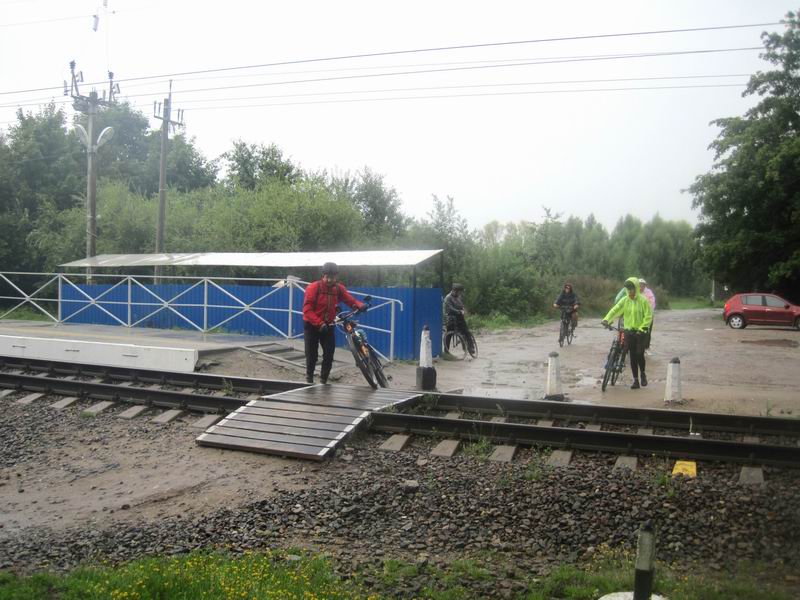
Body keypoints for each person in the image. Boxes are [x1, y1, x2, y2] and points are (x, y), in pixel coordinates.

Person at [302, 262, 365, 384]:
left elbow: (348, 299)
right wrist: (319, 323)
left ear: (336, 276)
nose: (330, 280)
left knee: (329, 355)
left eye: (333, 277)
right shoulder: (314, 287)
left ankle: (323, 381)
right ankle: (309, 379)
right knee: (312, 355)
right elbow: (307, 310)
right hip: (312, 325)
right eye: (328, 277)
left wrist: (359, 305)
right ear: (323, 275)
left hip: (328, 325)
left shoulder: (338, 288)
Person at [601, 277, 653, 389]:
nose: (630, 291)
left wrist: (643, 328)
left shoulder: (643, 300)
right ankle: (635, 381)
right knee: (633, 356)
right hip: (629, 331)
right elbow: (615, 309)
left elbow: (648, 316)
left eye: (632, 289)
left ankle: (643, 373)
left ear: (636, 288)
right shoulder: (624, 300)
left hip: (641, 332)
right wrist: (606, 319)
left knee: (640, 354)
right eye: (628, 289)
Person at [443, 283, 474, 351]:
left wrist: (463, 309)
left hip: (459, 317)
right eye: (459, 292)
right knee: (449, 335)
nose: (460, 293)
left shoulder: (458, 296)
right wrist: (459, 311)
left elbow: (461, 305)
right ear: (454, 290)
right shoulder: (448, 298)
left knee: (466, 332)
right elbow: (450, 308)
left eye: (460, 292)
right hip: (450, 318)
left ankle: (471, 347)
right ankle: (446, 351)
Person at [639, 278, 656, 351]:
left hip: (648, 314)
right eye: (639, 284)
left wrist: (648, 312)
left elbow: (652, 302)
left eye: (642, 285)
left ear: (644, 285)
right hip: (639, 315)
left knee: (648, 331)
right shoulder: (636, 292)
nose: (641, 286)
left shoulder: (648, 292)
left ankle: (646, 347)